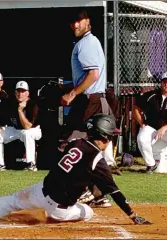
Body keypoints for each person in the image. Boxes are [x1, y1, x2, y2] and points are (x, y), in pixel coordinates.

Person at [0, 114, 152, 226]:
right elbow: (114, 191)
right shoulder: (98, 160)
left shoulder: (76, 143)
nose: (110, 140)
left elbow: (73, 167)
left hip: (40, 190)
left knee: (11, 201)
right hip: (59, 208)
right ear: (103, 136)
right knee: (88, 212)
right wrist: (132, 215)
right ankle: (54, 217)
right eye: (109, 137)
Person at [59, 8, 115, 206]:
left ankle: (87, 191)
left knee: (76, 145)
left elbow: (93, 75)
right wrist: (68, 87)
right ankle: (97, 194)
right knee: (84, 147)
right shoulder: (88, 42)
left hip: (90, 101)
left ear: (87, 22)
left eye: (79, 21)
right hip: (91, 99)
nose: (75, 25)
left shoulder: (86, 43)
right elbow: (87, 76)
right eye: (73, 22)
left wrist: (73, 93)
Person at [0, 81, 42, 171]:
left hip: (34, 130)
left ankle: (31, 164)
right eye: (18, 91)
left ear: (27, 93)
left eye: (23, 91)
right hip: (16, 129)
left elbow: (28, 126)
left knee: (27, 133)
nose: (20, 94)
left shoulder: (33, 105)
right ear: (15, 92)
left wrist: (20, 110)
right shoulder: (10, 102)